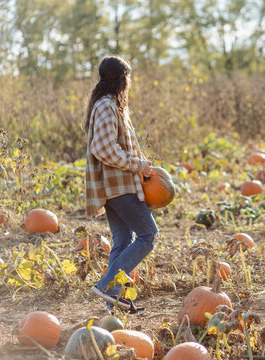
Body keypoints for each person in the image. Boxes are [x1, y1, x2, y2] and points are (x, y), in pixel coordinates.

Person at [84, 55, 158, 313]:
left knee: (123, 239)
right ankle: (106, 285)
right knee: (148, 235)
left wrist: (143, 163)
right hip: (119, 186)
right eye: (129, 77)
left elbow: (123, 147)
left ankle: (110, 304)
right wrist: (137, 165)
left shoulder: (113, 106)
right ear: (122, 78)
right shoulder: (106, 106)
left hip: (119, 185)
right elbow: (102, 148)